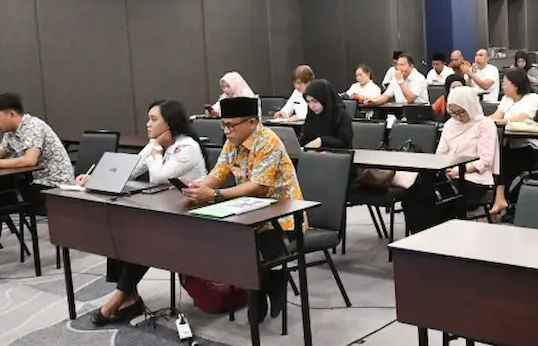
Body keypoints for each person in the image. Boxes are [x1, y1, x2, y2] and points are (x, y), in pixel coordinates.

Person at [181, 96, 303, 318]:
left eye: (231, 125)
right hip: (250, 212)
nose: (226, 131)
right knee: (225, 241)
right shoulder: (233, 143)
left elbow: (256, 186)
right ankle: (262, 285)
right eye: (223, 125)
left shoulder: (268, 142)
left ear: (252, 122)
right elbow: (218, 173)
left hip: (283, 215)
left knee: (247, 244)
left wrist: (215, 195)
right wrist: (197, 188)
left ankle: (266, 284)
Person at [85, 100, 205, 325]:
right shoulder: (155, 144)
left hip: (189, 216)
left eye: (153, 119)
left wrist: (157, 151)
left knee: (143, 238)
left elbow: (159, 177)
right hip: (163, 210)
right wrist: (96, 177)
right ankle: (129, 297)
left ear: (169, 124)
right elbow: (130, 167)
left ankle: (118, 298)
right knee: (118, 227)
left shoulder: (187, 146)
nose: (147, 125)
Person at [0, 93, 74, 284]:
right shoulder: (11, 132)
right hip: (32, 182)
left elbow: (30, 160)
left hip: (53, 188)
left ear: (11, 114)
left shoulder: (32, 127)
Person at [402, 88, 499, 233]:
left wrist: (459, 170)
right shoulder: (449, 125)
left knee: (434, 198)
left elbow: (485, 161)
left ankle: (438, 236)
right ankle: (419, 237)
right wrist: (443, 168)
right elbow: (440, 153)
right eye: (453, 113)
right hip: (447, 174)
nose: (458, 117)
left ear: (470, 107)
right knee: (413, 194)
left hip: (474, 179)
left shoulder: (485, 125)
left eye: (461, 112)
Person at [488, 69, 538, 218]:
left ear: (516, 85)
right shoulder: (506, 99)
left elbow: (522, 118)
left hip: (528, 146)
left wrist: (496, 121)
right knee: (499, 159)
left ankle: (500, 199)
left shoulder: (532, 99)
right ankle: (501, 201)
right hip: (508, 144)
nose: (503, 87)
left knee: (503, 163)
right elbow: (496, 116)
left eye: (505, 83)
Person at [300, 79, 353, 149]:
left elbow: (345, 142)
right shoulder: (311, 114)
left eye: (315, 101)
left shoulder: (341, 115)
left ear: (324, 99)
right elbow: (305, 136)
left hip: (336, 156)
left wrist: (322, 141)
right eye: (309, 102)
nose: (312, 106)